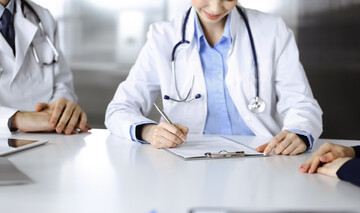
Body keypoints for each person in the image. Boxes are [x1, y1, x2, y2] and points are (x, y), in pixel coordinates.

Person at [105, 0, 322, 154]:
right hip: (185, 163)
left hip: (261, 158)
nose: (216, 7)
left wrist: (298, 133)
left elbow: (302, 103)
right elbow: (119, 109)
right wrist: (149, 131)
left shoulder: (272, 29)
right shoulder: (162, 37)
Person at [0, 0, 89, 135]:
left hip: (47, 141)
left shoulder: (42, 16)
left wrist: (59, 112)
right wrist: (15, 118)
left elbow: (62, 84)